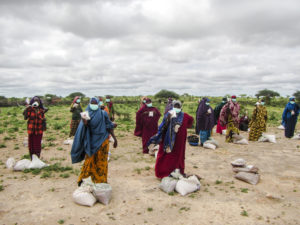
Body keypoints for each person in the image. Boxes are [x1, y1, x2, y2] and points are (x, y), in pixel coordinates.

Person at [71, 98, 118, 185]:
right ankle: (84, 180)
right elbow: (83, 129)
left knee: (102, 162)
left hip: (103, 141)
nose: (94, 105)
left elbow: (109, 126)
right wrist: (85, 122)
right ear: (89, 104)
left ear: (98, 104)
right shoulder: (86, 114)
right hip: (91, 142)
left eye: (95, 103)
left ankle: (101, 181)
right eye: (92, 103)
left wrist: (115, 139)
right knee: (89, 161)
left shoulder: (103, 113)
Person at [148, 100, 194, 178]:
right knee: (175, 156)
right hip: (175, 141)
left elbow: (162, 127)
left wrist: (159, 136)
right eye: (176, 107)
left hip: (170, 141)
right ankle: (173, 172)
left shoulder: (170, 114)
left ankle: (165, 172)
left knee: (168, 155)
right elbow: (191, 121)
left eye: (177, 107)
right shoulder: (183, 115)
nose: (177, 108)